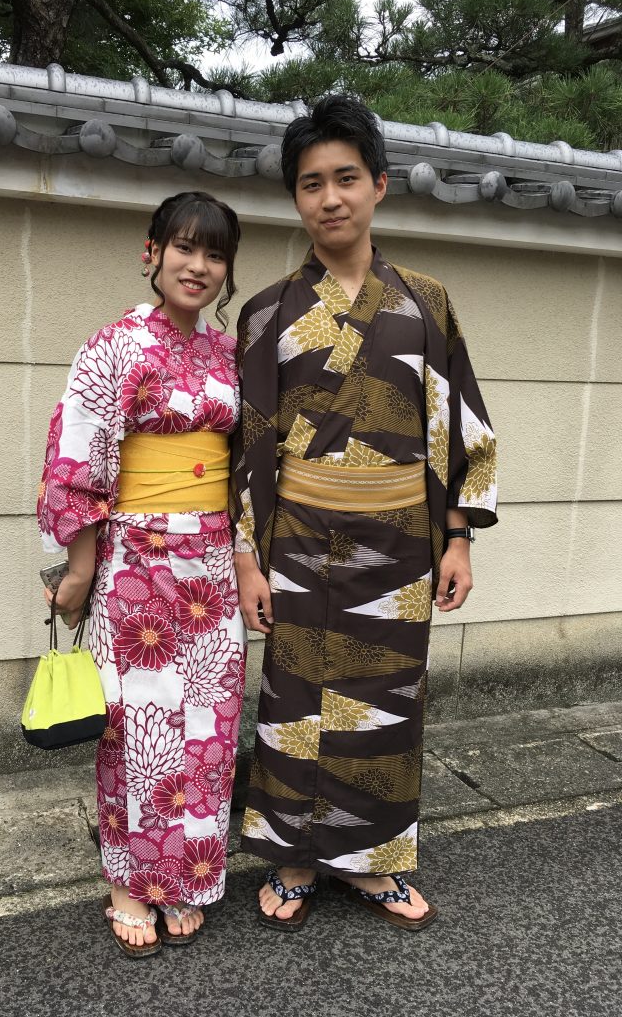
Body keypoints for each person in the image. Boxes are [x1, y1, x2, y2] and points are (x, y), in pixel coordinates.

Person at [230, 95, 497, 932]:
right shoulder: (268, 312)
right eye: (311, 183)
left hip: (401, 542)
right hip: (300, 539)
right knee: (295, 700)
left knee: (387, 703)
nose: (330, 198)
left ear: (379, 184)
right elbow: (247, 449)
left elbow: (460, 425)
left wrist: (457, 538)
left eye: (346, 178)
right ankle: (296, 857)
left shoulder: (426, 302)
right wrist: (246, 558)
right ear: (296, 198)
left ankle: (376, 860)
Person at [37, 191, 245, 958]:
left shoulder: (230, 355)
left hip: (212, 565)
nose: (199, 266)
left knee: (208, 731)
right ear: (150, 252)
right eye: (184, 247)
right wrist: (81, 569)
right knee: (138, 730)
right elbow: (79, 458)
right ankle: (129, 883)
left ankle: (185, 878)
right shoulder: (112, 348)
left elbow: (244, 466)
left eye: (215, 254)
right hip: (137, 563)